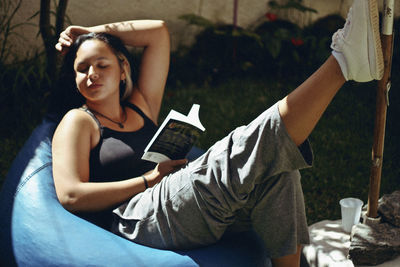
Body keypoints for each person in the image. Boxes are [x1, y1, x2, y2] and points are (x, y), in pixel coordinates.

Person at [51, 0, 383, 266]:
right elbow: (71, 194)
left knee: (278, 172)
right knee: (241, 145)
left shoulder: (141, 106)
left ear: (124, 68)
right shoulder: (80, 121)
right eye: (82, 68)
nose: (91, 74)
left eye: (102, 64)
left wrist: (90, 32)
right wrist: (148, 180)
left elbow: (158, 33)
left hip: (172, 197)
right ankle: (343, 61)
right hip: (136, 214)